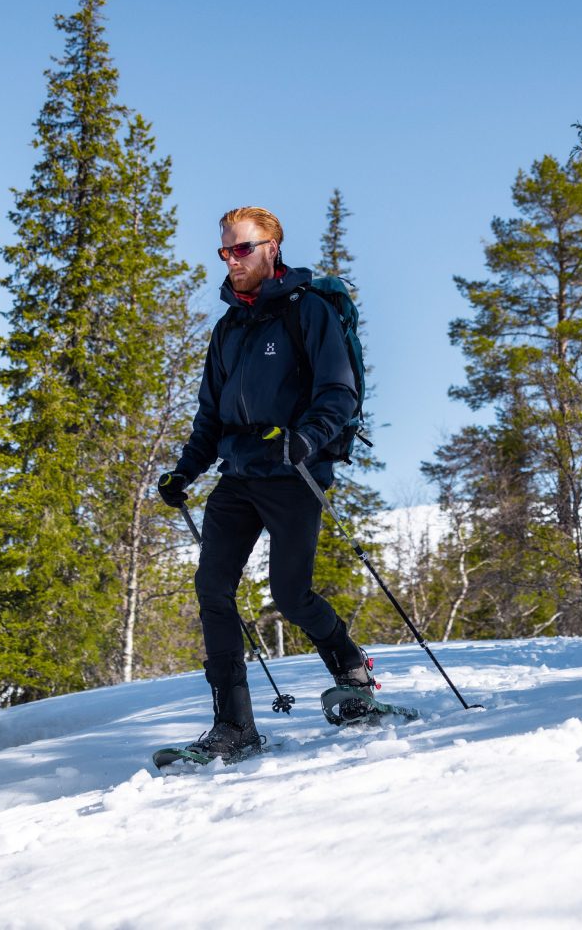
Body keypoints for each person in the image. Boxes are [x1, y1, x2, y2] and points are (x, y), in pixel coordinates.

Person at [156, 205, 376, 762]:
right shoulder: (227, 330)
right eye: (225, 251)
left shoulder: (310, 312)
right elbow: (211, 416)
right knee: (212, 589)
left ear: (271, 249)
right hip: (238, 474)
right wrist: (187, 469)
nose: (232, 261)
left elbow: (338, 390)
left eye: (242, 249)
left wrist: (309, 436)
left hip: (294, 472)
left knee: (291, 593)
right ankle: (234, 726)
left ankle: (350, 666)